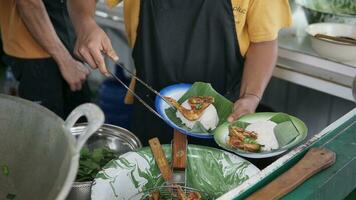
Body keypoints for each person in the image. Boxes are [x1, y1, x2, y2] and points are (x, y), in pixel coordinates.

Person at [67, 0, 292, 145]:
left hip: (226, 116)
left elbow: (263, 42)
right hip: (150, 108)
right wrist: (85, 24)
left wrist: (250, 96)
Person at [0, 0, 91, 119]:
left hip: (67, 46)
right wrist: (66, 61)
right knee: (46, 129)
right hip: (35, 55)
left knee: (79, 125)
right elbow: (28, 2)